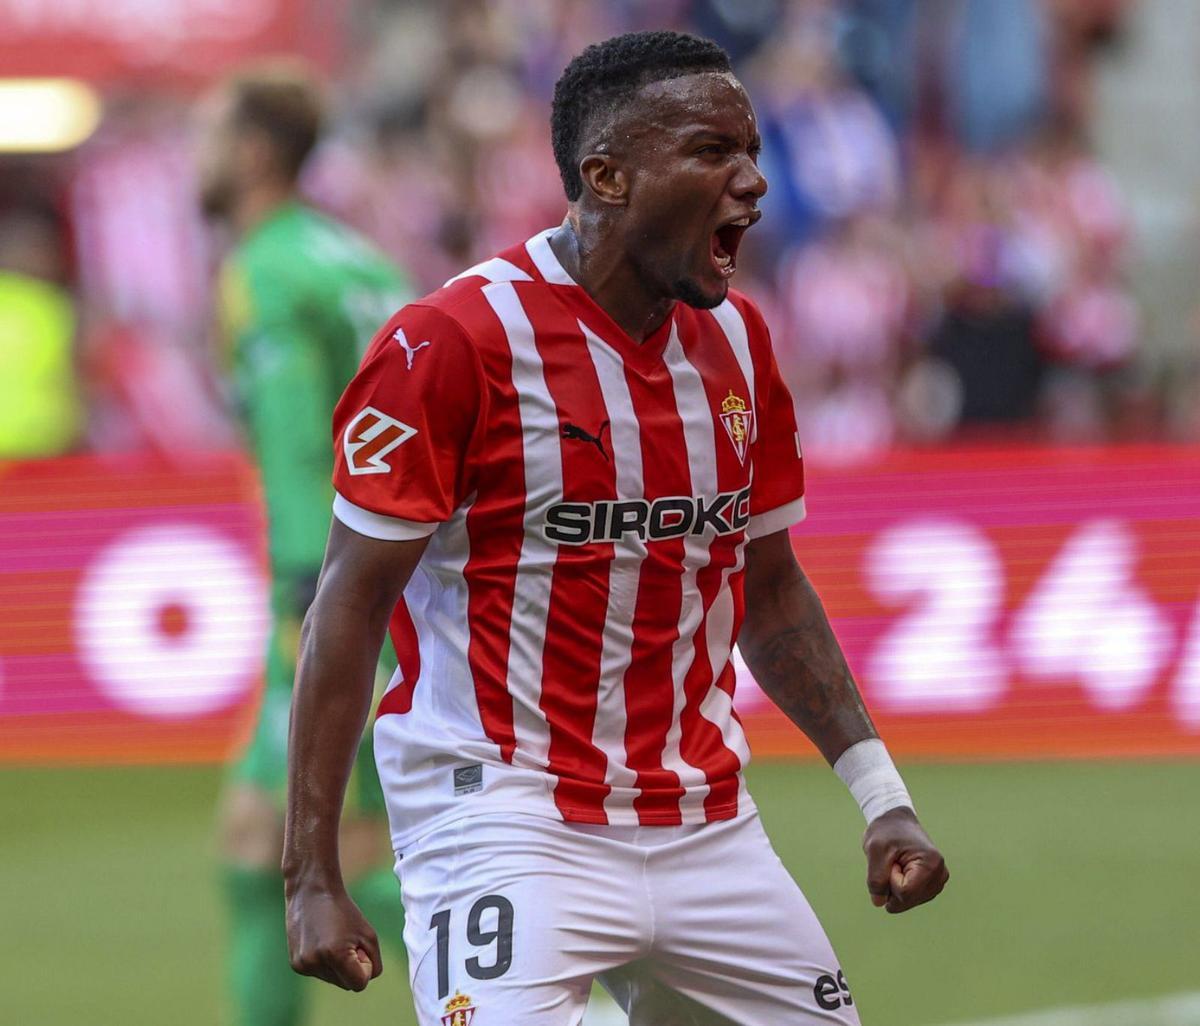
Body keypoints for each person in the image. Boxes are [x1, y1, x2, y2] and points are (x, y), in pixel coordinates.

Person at [283, 31, 948, 1026]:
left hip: (704, 822)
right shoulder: (454, 343)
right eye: (713, 151)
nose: (754, 182)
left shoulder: (737, 340)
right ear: (607, 176)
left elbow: (766, 589)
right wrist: (310, 872)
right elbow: (349, 605)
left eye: (753, 150)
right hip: (505, 816)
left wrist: (879, 793)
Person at [195, 61, 412, 1026]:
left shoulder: (264, 270)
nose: (193, 159)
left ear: (250, 153)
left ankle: (600, 1002)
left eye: (207, 136)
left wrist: (307, 592)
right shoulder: (359, 258)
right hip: (411, 578)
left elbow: (294, 451)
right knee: (265, 853)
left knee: (317, 853)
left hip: (336, 587)